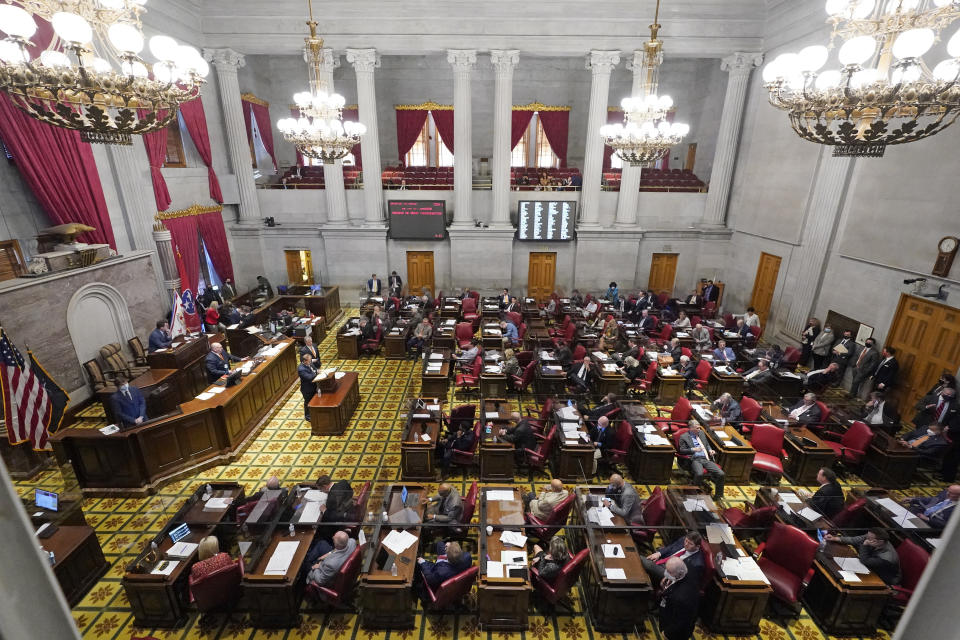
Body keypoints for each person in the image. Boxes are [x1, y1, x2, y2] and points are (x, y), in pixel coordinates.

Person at [824, 528, 900, 586]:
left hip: (884, 580)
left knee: (848, 583)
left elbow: (865, 561)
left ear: (880, 542)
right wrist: (835, 538)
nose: (866, 538)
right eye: (867, 536)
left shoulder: (887, 558)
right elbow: (854, 540)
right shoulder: (872, 537)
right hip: (870, 568)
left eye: (869, 539)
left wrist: (865, 545)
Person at [677, 421, 725, 500]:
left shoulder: (701, 433)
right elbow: (681, 450)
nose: (699, 429)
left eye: (699, 427)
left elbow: (706, 444)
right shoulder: (684, 437)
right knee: (699, 474)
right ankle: (693, 494)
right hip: (695, 459)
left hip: (706, 459)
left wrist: (710, 450)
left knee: (721, 474)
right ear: (691, 428)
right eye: (697, 428)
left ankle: (718, 496)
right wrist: (693, 449)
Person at [657, 556, 700, 640]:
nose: (666, 573)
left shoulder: (681, 597)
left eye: (669, 572)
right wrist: (669, 578)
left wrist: (667, 633)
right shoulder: (686, 566)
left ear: (679, 573)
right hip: (670, 612)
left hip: (676, 632)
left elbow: (681, 621)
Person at [298, 353, 318, 422]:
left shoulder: (309, 363)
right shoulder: (301, 369)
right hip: (307, 389)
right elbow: (309, 377)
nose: (311, 361)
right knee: (308, 402)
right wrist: (316, 372)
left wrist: (316, 371)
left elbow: (315, 369)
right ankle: (308, 416)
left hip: (313, 386)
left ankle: (314, 413)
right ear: (305, 361)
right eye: (309, 360)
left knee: (314, 401)